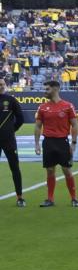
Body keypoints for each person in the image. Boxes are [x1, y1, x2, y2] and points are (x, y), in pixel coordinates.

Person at [34, 81, 78, 207]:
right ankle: (50, 199)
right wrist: (37, 144)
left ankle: (74, 198)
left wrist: (73, 143)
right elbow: (38, 126)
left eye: (47, 89)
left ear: (55, 89)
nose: (45, 91)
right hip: (48, 142)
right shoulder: (42, 107)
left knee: (67, 170)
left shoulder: (68, 106)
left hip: (62, 142)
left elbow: (75, 125)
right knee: (50, 170)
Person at [0, 78, 25, 207]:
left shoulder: (11, 100)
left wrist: (11, 129)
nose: (1, 86)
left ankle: (20, 197)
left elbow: (20, 118)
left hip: (8, 140)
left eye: (3, 84)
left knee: (15, 168)